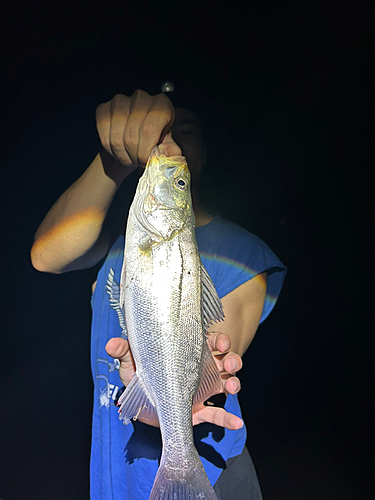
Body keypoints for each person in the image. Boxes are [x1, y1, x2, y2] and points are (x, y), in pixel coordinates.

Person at [31, 89, 286, 499]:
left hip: (211, 473)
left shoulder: (246, 252)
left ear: (206, 149)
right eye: (164, 133)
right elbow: (46, 257)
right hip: (115, 471)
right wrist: (112, 158)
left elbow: (210, 368)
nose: (174, 144)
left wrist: (162, 401)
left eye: (186, 131)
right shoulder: (119, 243)